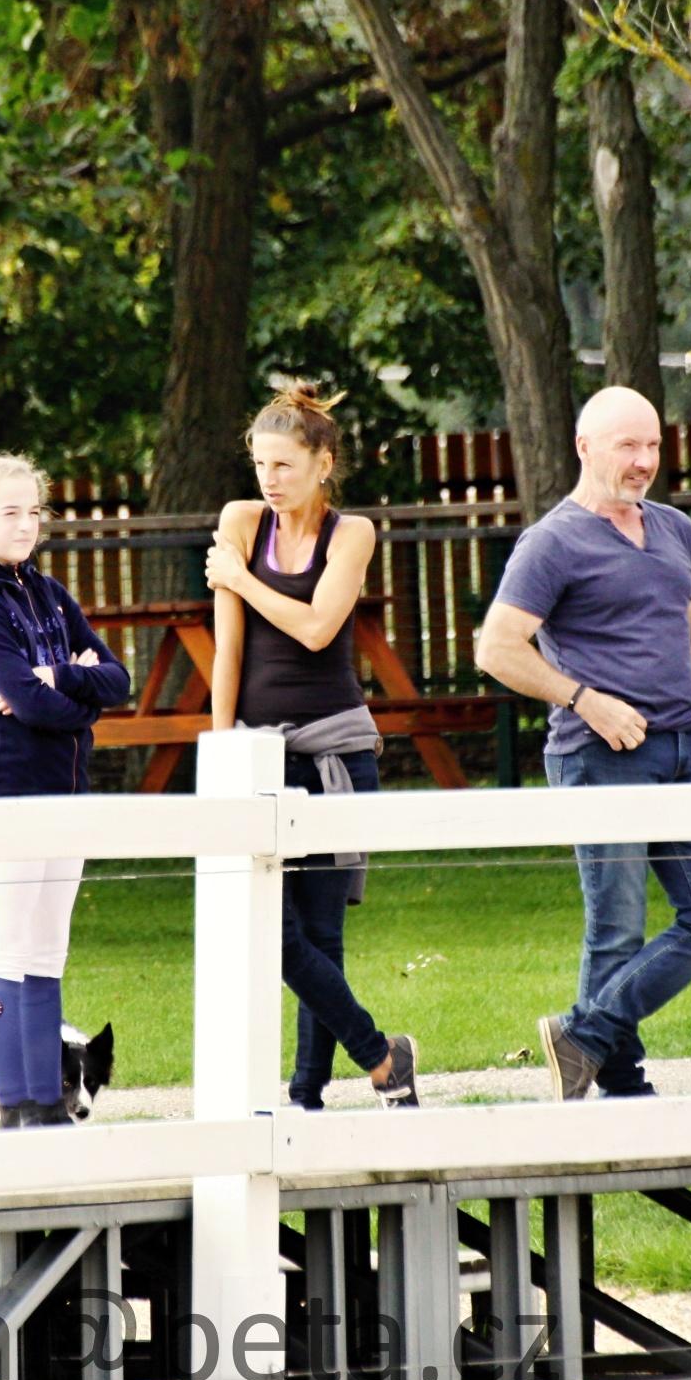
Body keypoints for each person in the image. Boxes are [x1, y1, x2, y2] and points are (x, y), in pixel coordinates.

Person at [474, 386, 691, 1103]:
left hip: (686, 752)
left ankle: (584, 1036)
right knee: (618, 929)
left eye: (652, 445)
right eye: (628, 445)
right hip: (600, 756)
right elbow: (496, 649)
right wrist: (583, 700)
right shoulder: (552, 542)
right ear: (585, 447)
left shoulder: (675, 529)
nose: (644, 461)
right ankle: (624, 1086)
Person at [206, 384, 420, 1111]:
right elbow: (229, 651)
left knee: (321, 936)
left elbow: (317, 629)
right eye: (260, 465)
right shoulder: (240, 520)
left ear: (322, 465)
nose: (269, 480)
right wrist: (222, 751)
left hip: (336, 753)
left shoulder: (352, 533)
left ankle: (305, 1097)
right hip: (257, 754)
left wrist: (239, 577)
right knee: (272, 931)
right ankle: (380, 1056)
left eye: (284, 465)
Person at [0, 454, 131, 1128]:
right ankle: (15, 1106)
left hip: (66, 793)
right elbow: (29, 703)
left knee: (47, 955)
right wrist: (65, 692)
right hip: (7, 791)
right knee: (7, 955)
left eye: (34, 511)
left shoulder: (48, 592)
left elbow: (117, 680)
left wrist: (60, 679)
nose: (25, 524)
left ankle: (47, 1103)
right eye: (9, 512)